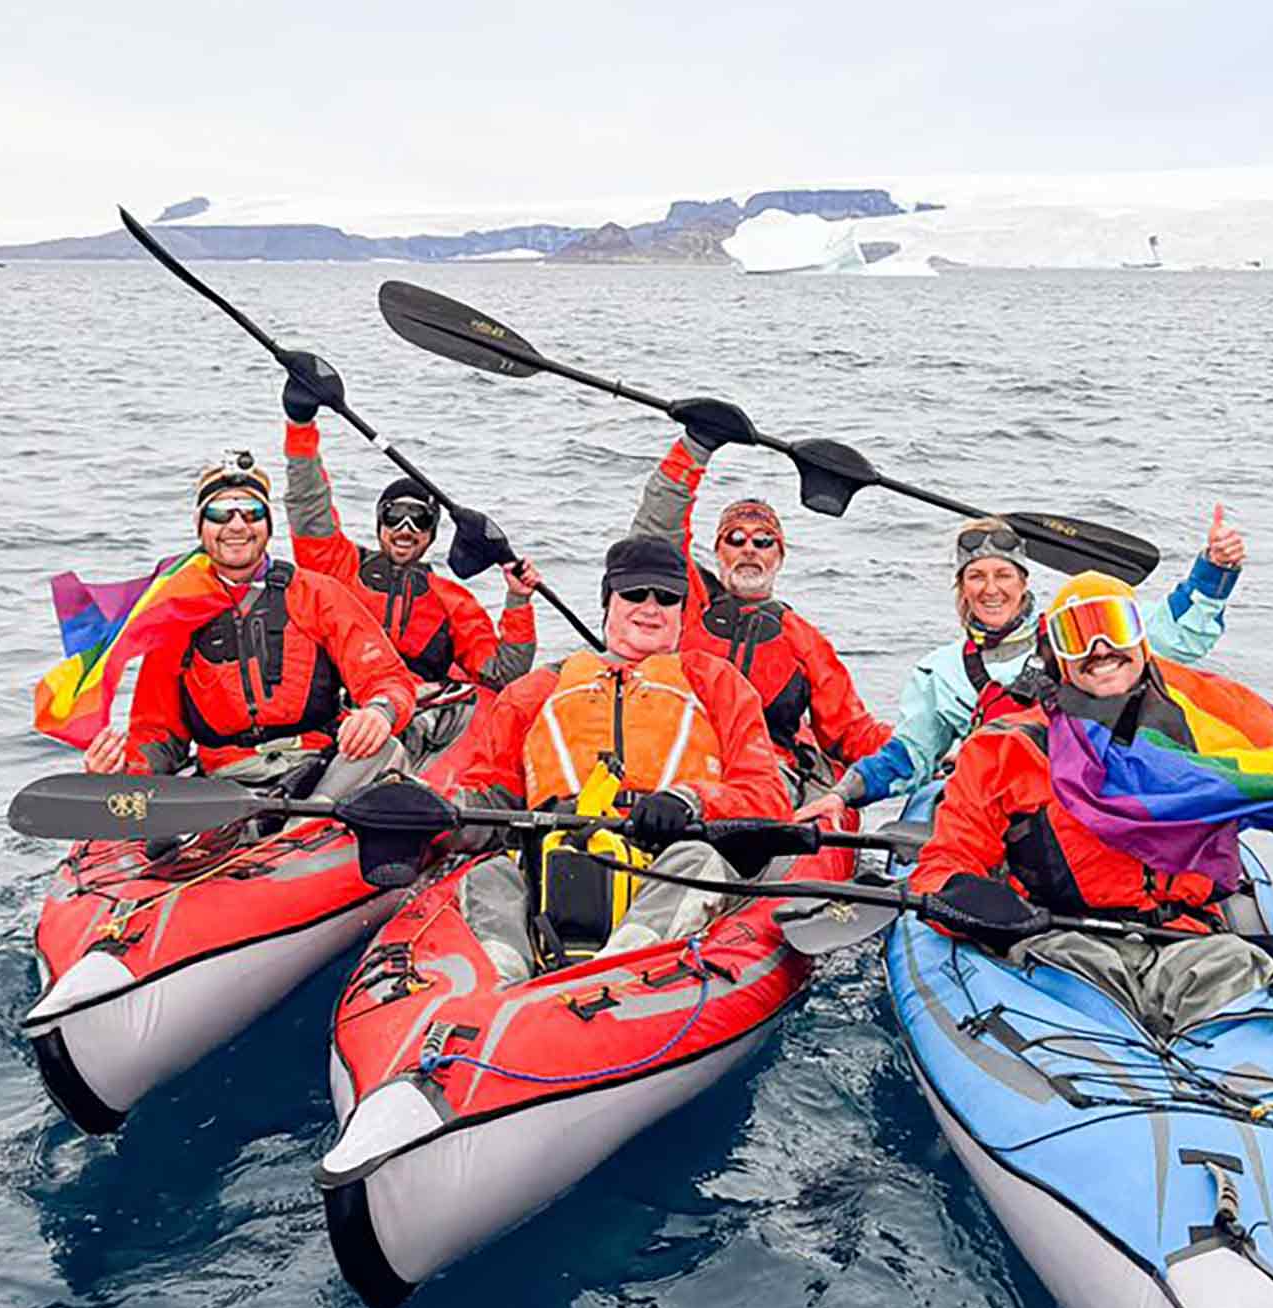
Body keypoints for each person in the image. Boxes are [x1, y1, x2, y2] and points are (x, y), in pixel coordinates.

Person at [908, 572, 1273, 1037]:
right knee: (1082, 972)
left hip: (1186, 941)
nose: (1100, 649)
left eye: (1114, 628)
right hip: (1063, 941)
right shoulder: (1004, 750)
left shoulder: (1206, 737)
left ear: (1142, 642)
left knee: (1236, 964)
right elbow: (945, 862)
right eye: (1078, 636)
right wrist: (970, 901)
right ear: (1059, 658)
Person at [442, 535, 792, 985]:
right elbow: (490, 793)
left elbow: (767, 798)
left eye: (667, 598)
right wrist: (437, 812)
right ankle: (504, 987)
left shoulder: (715, 682)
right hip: (556, 857)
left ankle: (611, 974)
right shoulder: (536, 692)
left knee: (694, 859)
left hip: (668, 857)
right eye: (635, 594)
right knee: (491, 873)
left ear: (682, 614)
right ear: (608, 601)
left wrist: (690, 801)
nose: (650, 607)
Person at [801, 508, 1249, 824]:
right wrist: (844, 793)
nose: (990, 589)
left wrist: (1213, 571)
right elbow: (910, 756)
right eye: (976, 576)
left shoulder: (1076, 630)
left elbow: (1175, 635)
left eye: (1003, 575)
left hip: (1094, 791)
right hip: (1004, 804)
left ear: (1023, 581)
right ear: (961, 587)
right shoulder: (940, 671)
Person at [83, 450, 418, 794]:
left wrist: (379, 713)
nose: (237, 526)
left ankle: (300, 831)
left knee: (386, 751)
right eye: (220, 514)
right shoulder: (175, 614)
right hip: (226, 781)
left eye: (252, 512)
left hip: (321, 766)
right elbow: (158, 733)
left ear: (268, 525)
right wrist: (121, 770)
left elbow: (388, 679)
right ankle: (274, 833)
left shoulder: (317, 594)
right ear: (201, 527)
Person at [625, 403, 891, 791]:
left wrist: (928, 750)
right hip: (675, 755)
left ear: (779, 556)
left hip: (765, 772)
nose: (749, 549)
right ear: (719, 553)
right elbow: (655, 530)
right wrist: (696, 446)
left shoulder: (804, 640)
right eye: (735, 539)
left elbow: (851, 732)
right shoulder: (683, 604)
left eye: (763, 541)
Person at [281, 371, 542, 694]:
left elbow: (504, 675)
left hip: (419, 714)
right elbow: (308, 505)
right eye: (395, 516)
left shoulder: (451, 600)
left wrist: (518, 600)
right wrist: (300, 425)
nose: (405, 529)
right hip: (346, 709)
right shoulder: (337, 566)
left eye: (418, 519)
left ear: (431, 534)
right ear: (380, 523)